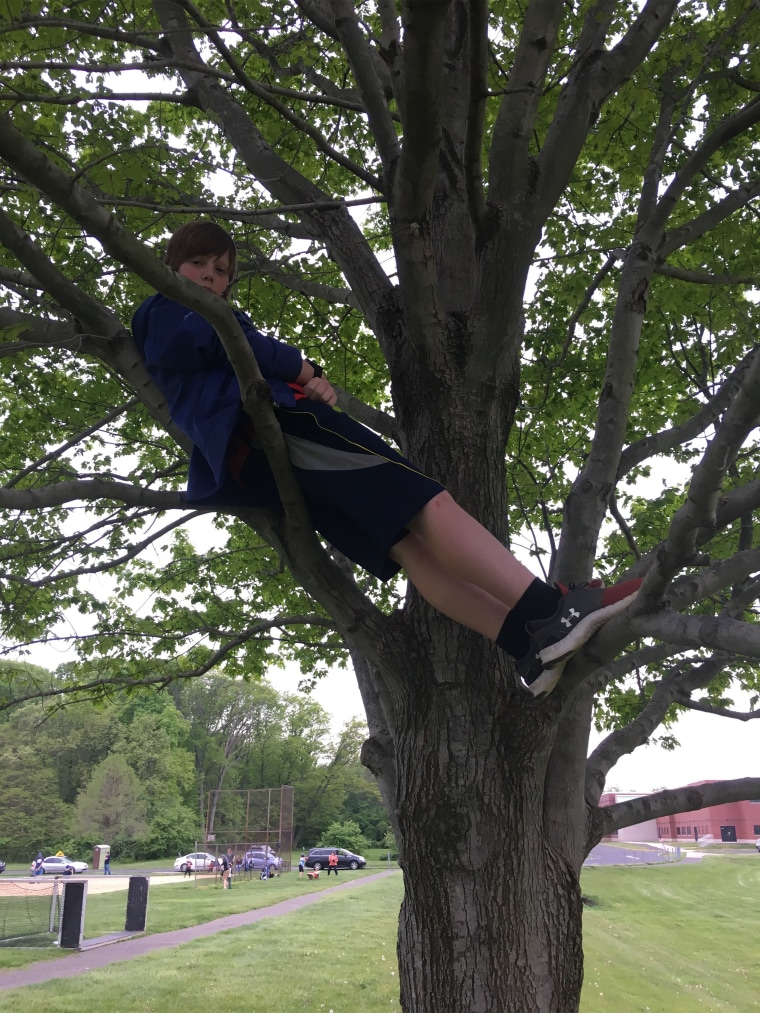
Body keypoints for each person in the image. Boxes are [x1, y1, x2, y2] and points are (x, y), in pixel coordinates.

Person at [131, 222, 642, 698]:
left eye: (222, 272)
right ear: (172, 266)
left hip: (273, 449)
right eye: (199, 263)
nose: (211, 277)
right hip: (284, 430)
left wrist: (308, 380)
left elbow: (232, 358)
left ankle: (527, 645)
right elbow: (231, 344)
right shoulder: (166, 309)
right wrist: (304, 366)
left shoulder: (183, 322)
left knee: (411, 549)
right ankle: (551, 612)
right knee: (427, 502)